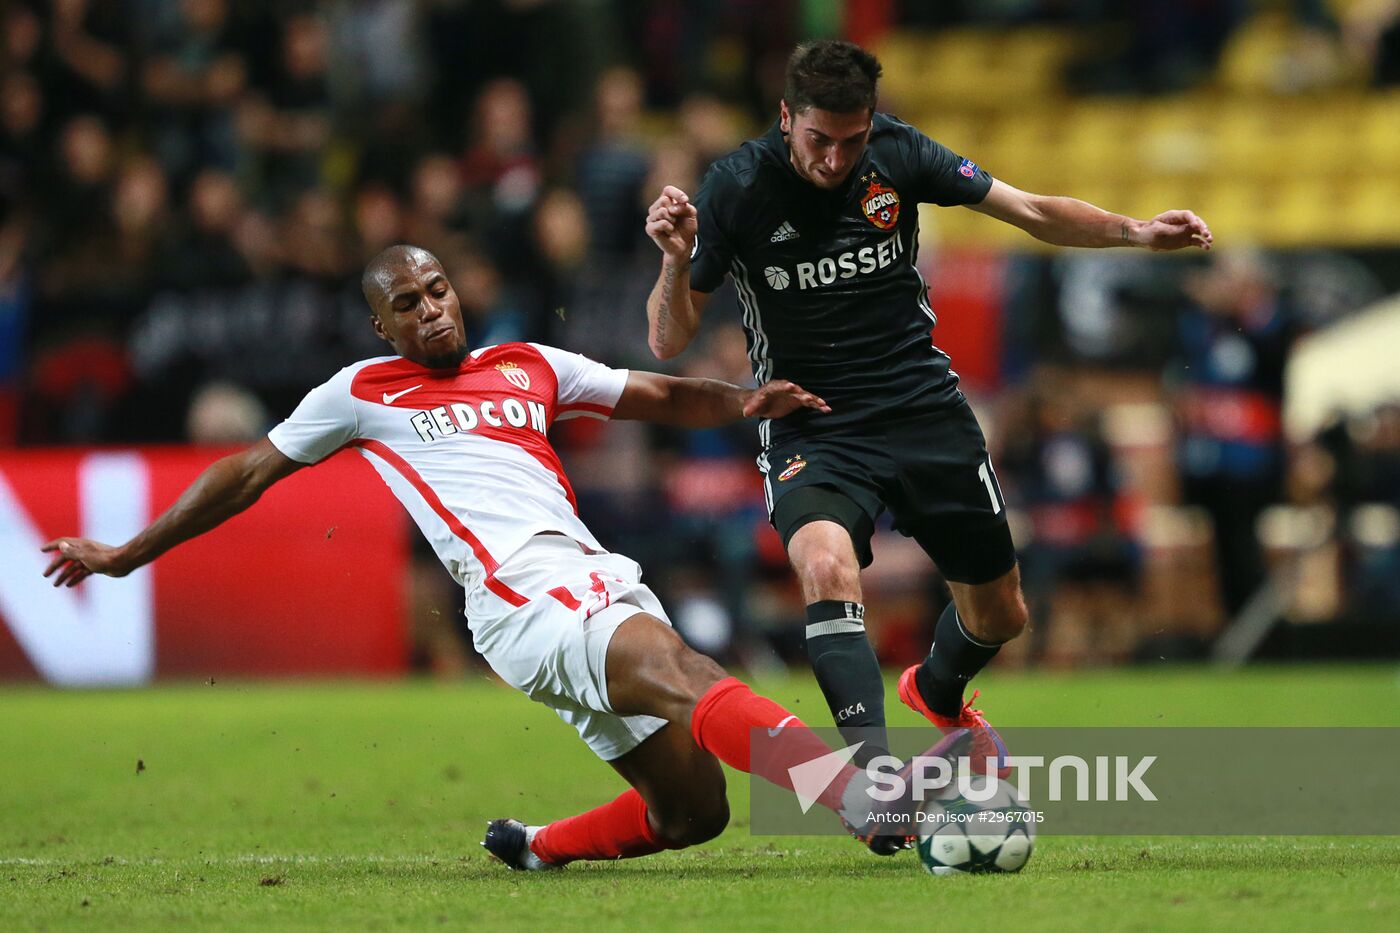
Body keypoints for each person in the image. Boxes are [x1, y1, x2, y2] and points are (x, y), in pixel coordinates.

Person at [39, 244, 936, 868]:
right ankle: (855, 798)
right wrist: (126, 552)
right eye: (407, 303)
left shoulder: (525, 362)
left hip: (590, 577)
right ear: (379, 326)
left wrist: (743, 402)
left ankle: (537, 846)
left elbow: (652, 392)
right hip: (522, 600)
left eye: (437, 290)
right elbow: (246, 473)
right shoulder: (360, 391)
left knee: (692, 815)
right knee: (687, 672)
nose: (431, 309)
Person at [644, 39, 1213, 773]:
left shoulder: (899, 154)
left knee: (1001, 613)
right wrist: (672, 259)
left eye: (852, 141)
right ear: (786, 118)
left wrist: (1135, 231)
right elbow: (667, 339)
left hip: (923, 409)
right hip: (814, 422)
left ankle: (937, 690)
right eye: (819, 140)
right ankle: (876, 781)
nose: (835, 159)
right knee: (823, 566)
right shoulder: (736, 187)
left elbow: (1031, 210)